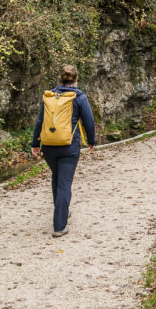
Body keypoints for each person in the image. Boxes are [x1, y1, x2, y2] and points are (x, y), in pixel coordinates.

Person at [30, 64, 96, 236]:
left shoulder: (50, 96)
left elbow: (40, 121)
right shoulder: (79, 97)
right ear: (76, 79)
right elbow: (89, 122)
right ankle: (59, 226)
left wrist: (35, 143)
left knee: (57, 178)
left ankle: (62, 212)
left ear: (61, 78)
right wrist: (91, 141)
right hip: (69, 146)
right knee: (64, 183)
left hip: (49, 146)